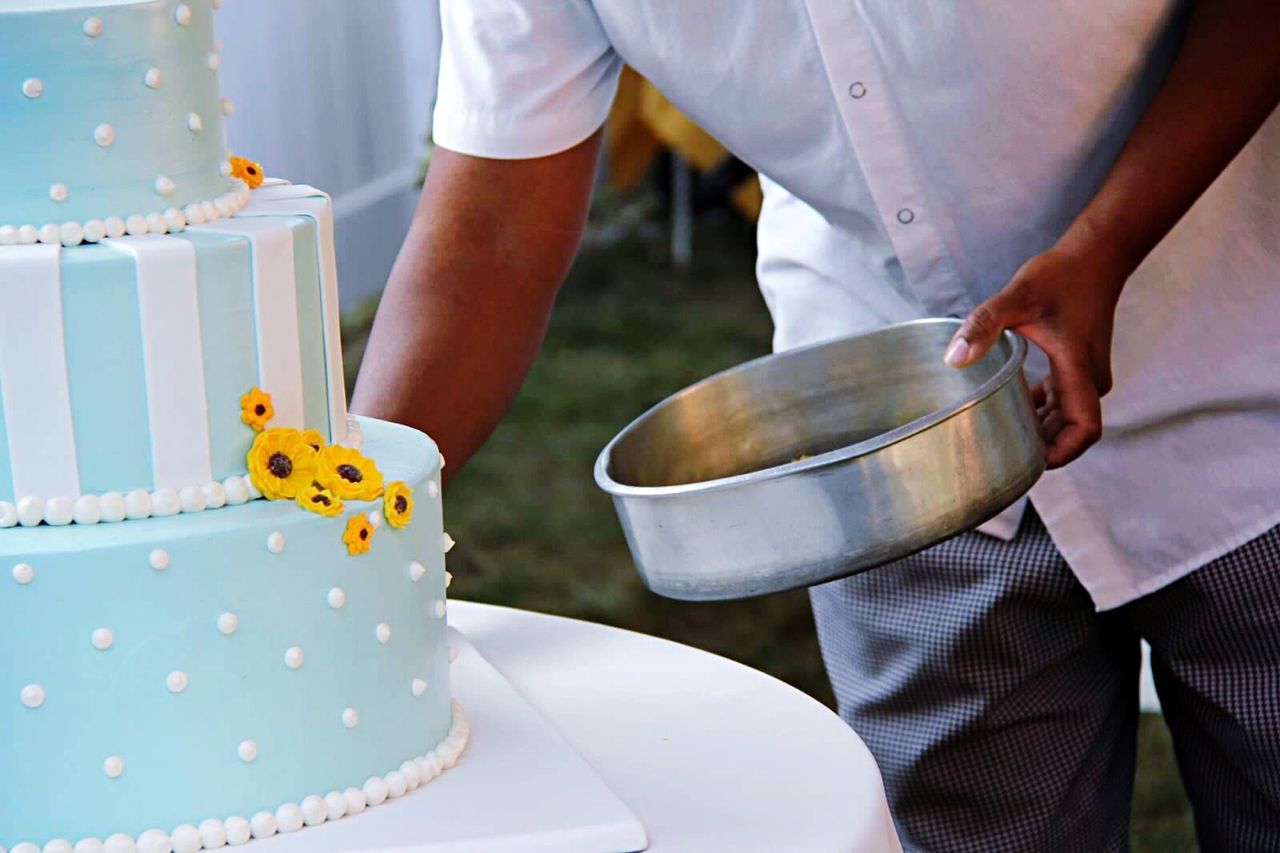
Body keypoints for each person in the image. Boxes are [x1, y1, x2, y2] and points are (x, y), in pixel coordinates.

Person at [352, 2, 1280, 849]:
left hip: (1244, 382)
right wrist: (333, 525)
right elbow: (495, 229)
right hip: (889, 439)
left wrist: (1105, 248)